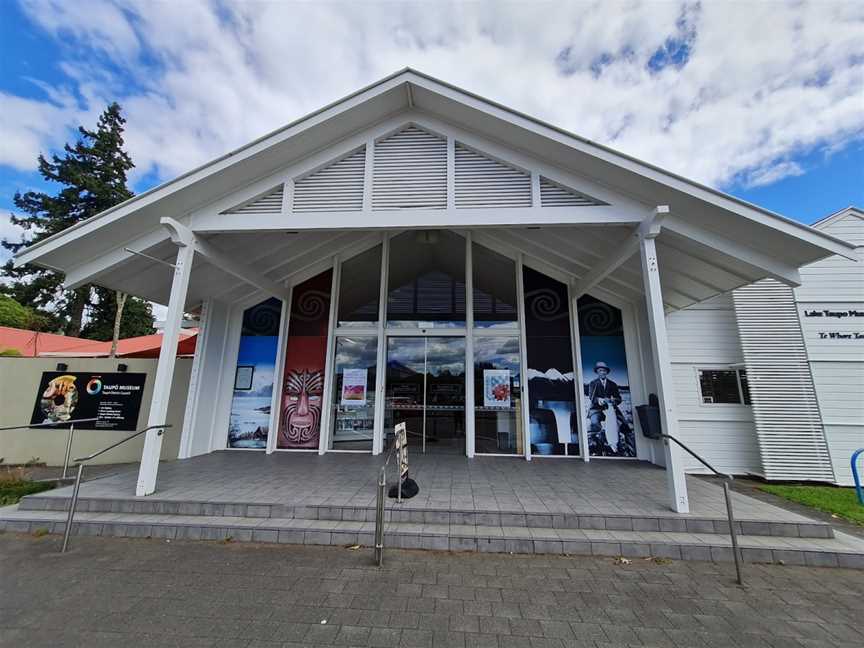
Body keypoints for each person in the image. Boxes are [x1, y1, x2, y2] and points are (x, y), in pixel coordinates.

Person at [586, 361, 632, 456]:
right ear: (597, 372)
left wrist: (613, 400)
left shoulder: (613, 384)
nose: (602, 372)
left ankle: (629, 451)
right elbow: (592, 397)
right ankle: (596, 447)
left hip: (612, 410)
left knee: (625, 426)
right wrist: (601, 400)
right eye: (600, 370)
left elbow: (619, 399)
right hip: (596, 409)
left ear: (607, 372)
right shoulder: (592, 384)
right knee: (595, 424)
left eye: (604, 370)